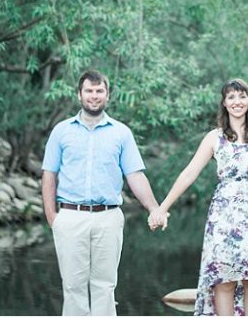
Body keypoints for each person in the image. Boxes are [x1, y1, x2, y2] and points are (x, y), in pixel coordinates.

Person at [149, 78, 248, 316]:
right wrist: (163, 207)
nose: (237, 102)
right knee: (225, 279)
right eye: (231, 97)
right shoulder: (215, 137)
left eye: (242, 96)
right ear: (224, 103)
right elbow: (189, 173)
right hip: (225, 216)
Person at [41, 69, 163, 316]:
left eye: (99, 91)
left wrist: (154, 208)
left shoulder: (121, 133)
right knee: (73, 287)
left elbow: (135, 175)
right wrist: (53, 217)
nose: (94, 96)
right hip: (70, 217)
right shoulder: (61, 131)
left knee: (105, 287)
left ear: (107, 95)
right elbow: (49, 175)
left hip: (108, 217)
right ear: (79, 95)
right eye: (89, 91)